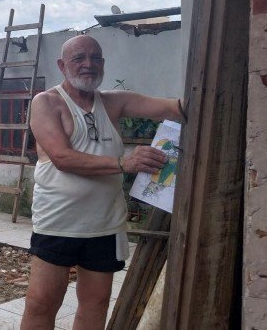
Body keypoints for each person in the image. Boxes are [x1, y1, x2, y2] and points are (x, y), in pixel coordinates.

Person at [20, 35, 185, 330]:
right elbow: (63, 158)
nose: (89, 65)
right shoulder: (47, 102)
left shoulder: (113, 102)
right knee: (42, 302)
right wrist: (125, 162)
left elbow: (174, 108)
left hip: (105, 225)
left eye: (96, 58)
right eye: (79, 58)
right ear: (62, 65)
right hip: (58, 222)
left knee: (95, 303)